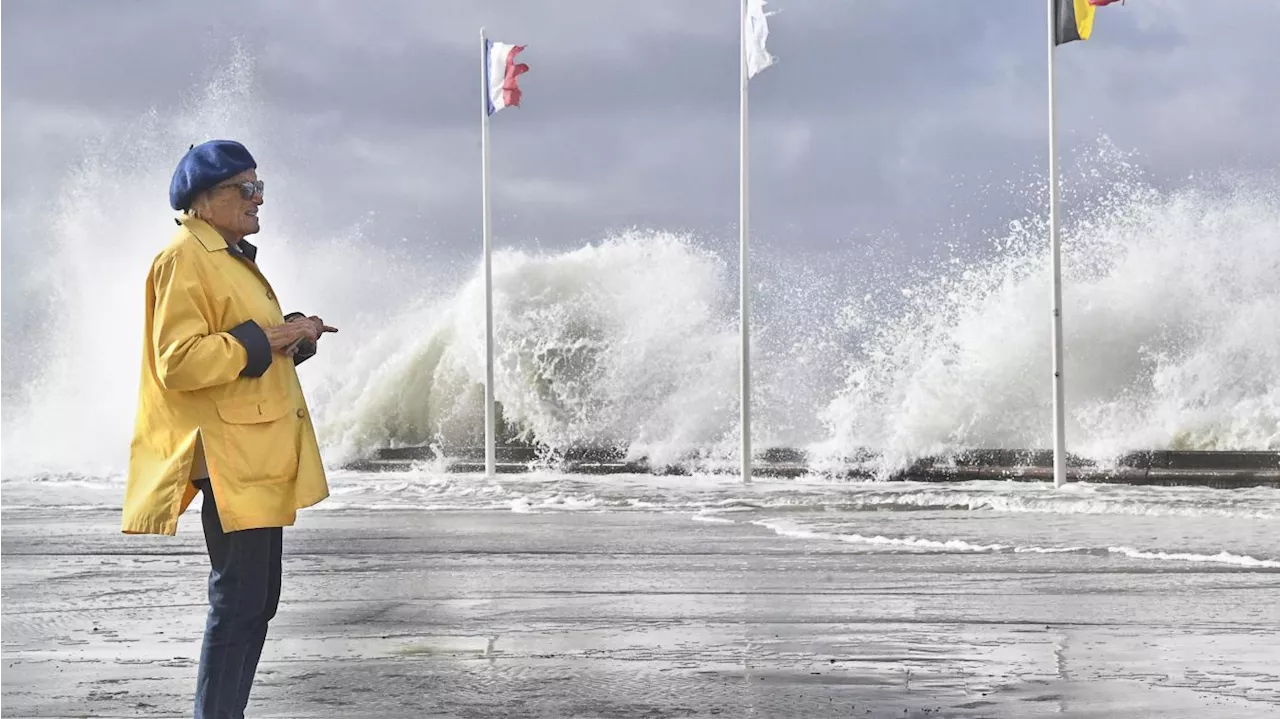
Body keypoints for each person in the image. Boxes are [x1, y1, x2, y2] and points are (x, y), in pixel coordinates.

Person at [121, 139, 336, 718]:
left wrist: (295, 334)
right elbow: (179, 360)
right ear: (205, 199)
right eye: (246, 188)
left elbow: (245, 353)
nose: (258, 198)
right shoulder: (184, 257)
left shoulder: (229, 255)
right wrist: (267, 338)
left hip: (255, 450)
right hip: (227, 454)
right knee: (239, 599)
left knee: (258, 601)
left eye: (259, 186)